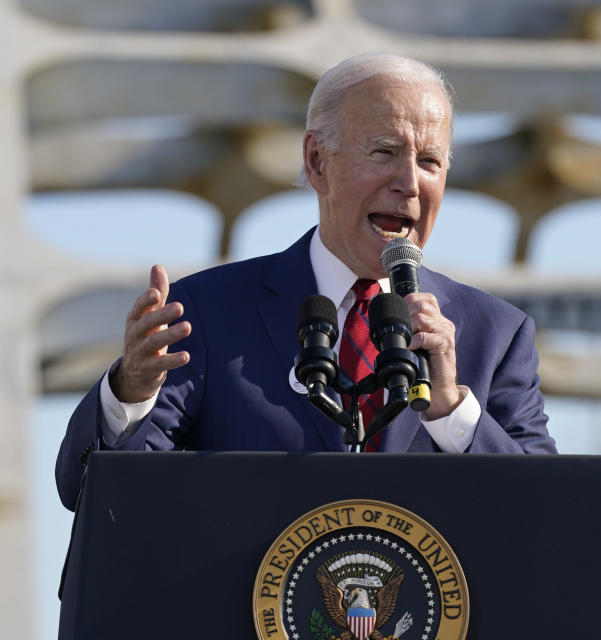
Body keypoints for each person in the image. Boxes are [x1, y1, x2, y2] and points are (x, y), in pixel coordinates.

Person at [55, 52, 556, 510]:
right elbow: (99, 500)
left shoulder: (496, 334)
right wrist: (130, 393)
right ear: (318, 162)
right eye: (383, 152)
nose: (409, 182)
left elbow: (548, 512)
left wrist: (450, 409)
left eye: (430, 161)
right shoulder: (207, 314)